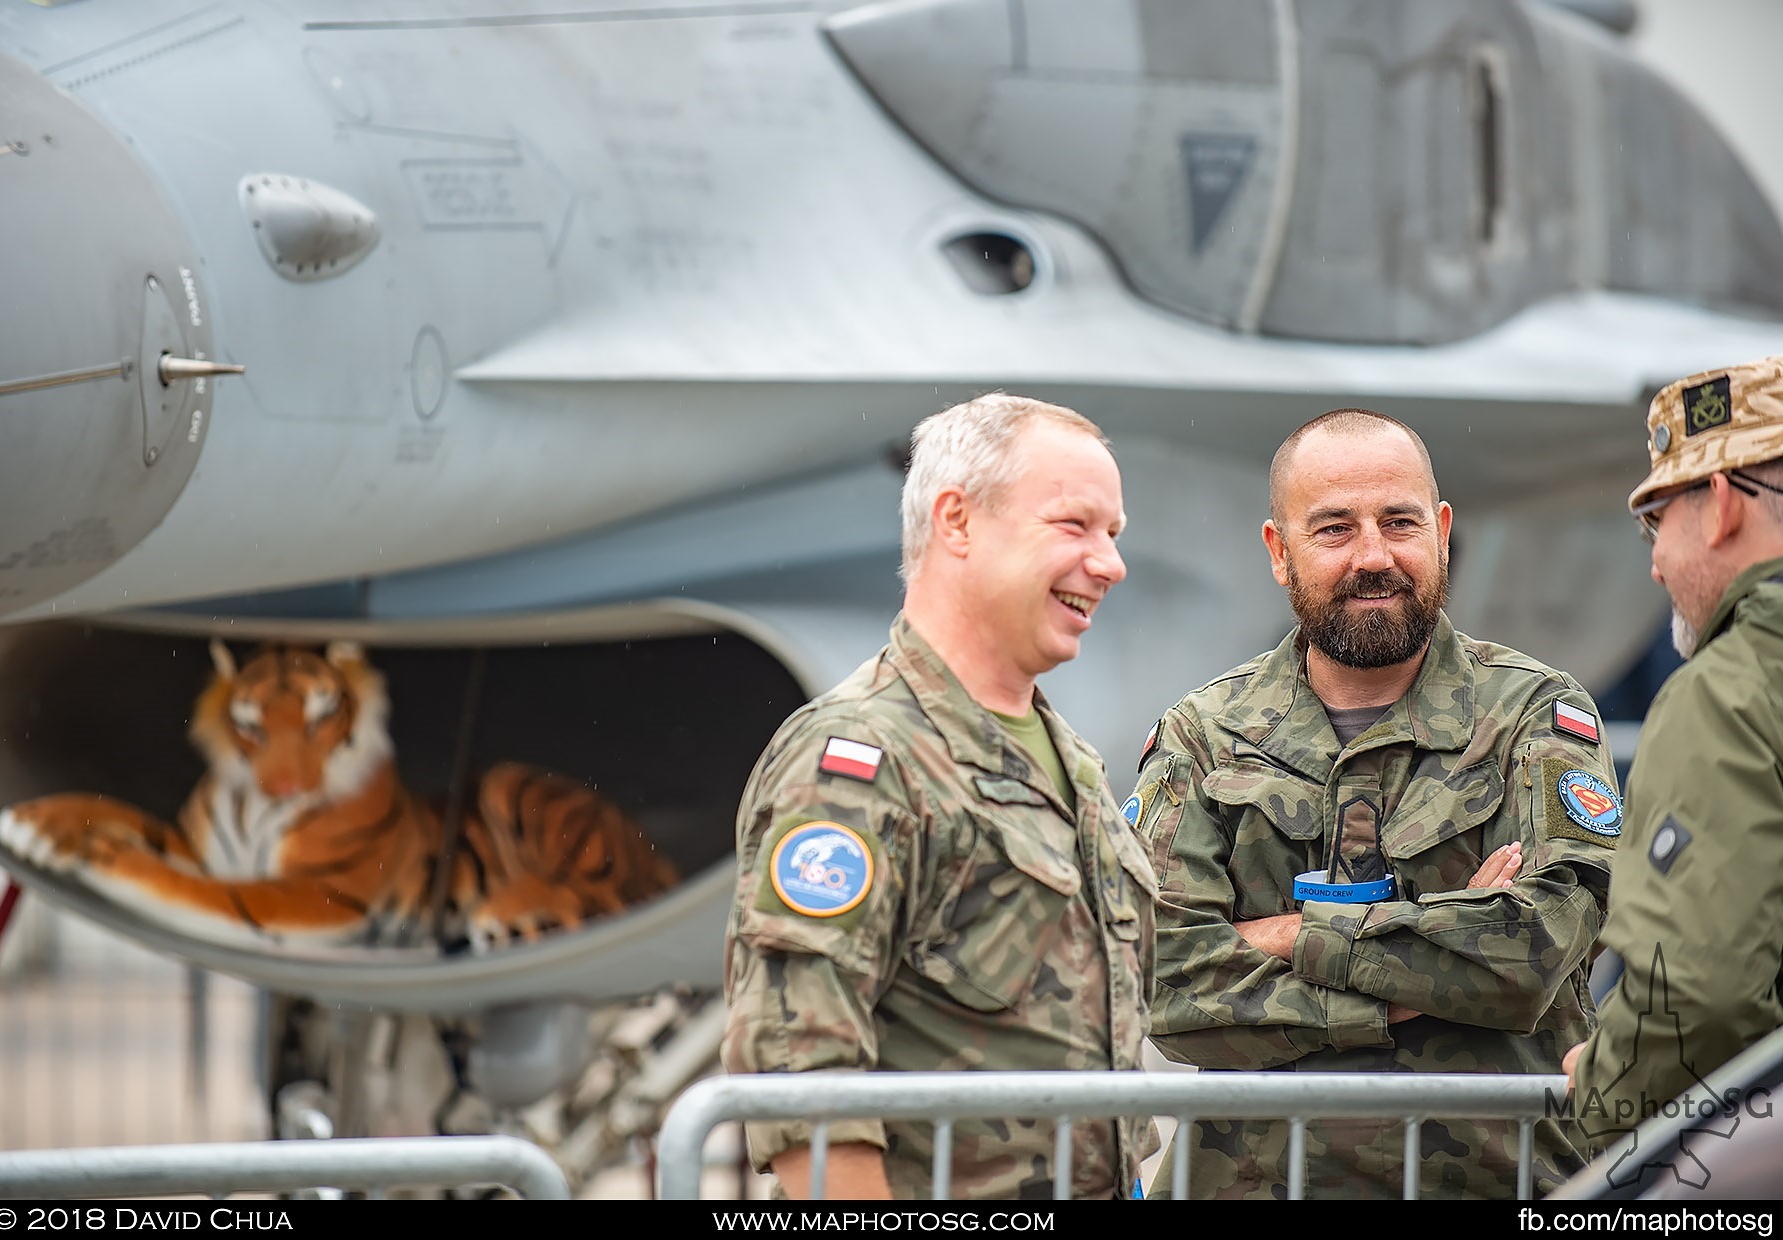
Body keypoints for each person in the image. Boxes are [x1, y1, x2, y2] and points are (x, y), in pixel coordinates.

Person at [1129, 407, 1619, 1199]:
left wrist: (1288, 935)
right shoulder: (1205, 735)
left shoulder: (1536, 714)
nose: (1375, 555)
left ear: (1443, 530)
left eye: (1400, 521)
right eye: (1333, 529)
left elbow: (1532, 953)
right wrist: (1420, 973)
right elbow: (1164, 979)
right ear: (1277, 553)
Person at [720, 392, 1158, 1200]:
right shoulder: (856, 762)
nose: (1110, 564)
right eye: (1074, 525)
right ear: (956, 521)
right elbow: (802, 1073)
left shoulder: (1075, 768)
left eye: (1114, 535)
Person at [1562, 357, 1783, 1152]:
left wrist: (1604, 1093)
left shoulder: (1730, 692)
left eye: (1659, 520)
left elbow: (1695, 993)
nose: (1653, 562)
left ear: (1720, 505)